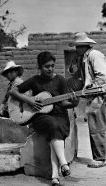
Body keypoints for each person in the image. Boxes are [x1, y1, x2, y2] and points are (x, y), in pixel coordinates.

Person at [9, 51, 78, 186]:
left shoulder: (60, 80)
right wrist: (29, 100)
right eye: (47, 66)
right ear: (40, 66)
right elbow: (13, 91)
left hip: (60, 115)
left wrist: (74, 103)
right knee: (52, 125)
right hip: (41, 116)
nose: (50, 69)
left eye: (52, 66)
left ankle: (55, 177)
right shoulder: (34, 80)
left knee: (55, 128)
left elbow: (64, 103)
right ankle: (63, 163)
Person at [68, 32, 106, 168]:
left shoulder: (94, 55)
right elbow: (76, 75)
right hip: (91, 94)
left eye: (78, 46)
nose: (76, 49)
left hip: (98, 93)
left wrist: (90, 89)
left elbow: (102, 76)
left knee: (96, 126)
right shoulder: (83, 58)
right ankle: (99, 157)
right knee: (93, 125)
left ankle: (100, 159)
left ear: (85, 45)